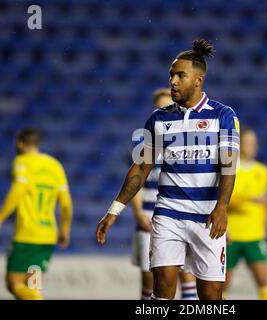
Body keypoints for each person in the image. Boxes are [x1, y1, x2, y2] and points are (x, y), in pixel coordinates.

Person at [96, 39, 240, 300]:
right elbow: (141, 167)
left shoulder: (223, 115)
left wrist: (222, 207)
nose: (173, 81)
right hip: (167, 215)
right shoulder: (159, 119)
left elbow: (229, 165)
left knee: (211, 296)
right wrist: (114, 210)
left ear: (198, 80)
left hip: (207, 217)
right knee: (162, 289)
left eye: (180, 75)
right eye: (171, 75)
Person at [130, 88, 197, 300]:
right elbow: (136, 180)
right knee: (151, 277)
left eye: (168, 105)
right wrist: (138, 212)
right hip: (150, 217)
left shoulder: (189, 140)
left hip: (180, 214)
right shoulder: (143, 142)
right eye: (160, 107)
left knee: (187, 274)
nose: (164, 110)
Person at [0, 127, 73, 300]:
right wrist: (65, 228)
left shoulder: (22, 161)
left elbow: (19, 189)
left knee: (13, 283)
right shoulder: (55, 165)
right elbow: (66, 203)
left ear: (20, 143)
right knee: (33, 286)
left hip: (27, 235)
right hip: (47, 236)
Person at [223, 128, 267, 300]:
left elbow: (263, 204)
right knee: (222, 286)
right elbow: (227, 199)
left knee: (264, 283)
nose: (252, 146)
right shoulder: (230, 169)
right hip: (231, 234)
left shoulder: (263, 171)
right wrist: (250, 198)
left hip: (254, 235)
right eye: (248, 143)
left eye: (254, 143)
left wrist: (263, 230)